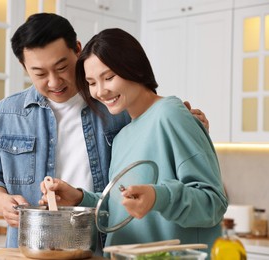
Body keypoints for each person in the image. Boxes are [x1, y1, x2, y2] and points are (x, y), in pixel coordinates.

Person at [0, 13, 210, 249]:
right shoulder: (5, 115)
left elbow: (160, 131)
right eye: (40, 74)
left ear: (77, 49)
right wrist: (1, 202)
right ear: (24, 67)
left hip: (101, 246)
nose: (54, 82)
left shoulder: (119, 106)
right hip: (32, 248)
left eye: (62, 67)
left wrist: (185, 124)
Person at [39, 28, 228, 257]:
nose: (100, 91)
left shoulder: (171, 114)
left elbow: (213, 203)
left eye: (109, 77)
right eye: (91, 82)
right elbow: (118, 208)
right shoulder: (122, 137)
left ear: (134, 68)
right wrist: (78, 197)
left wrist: (158, 197)